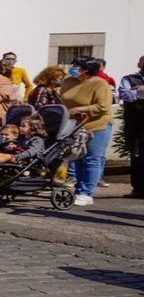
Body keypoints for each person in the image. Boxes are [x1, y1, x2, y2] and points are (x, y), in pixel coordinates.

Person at [60, 56, 114, 207]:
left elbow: (103, 107)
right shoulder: (68, 81)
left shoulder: (100, 84)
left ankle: (86, 193)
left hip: (96, 126)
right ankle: (79, 189)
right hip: (75, 126)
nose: (73, 69)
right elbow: (63, 100)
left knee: (92, 159)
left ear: (87, 70)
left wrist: (81, 109)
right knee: (77, 158)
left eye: (77, 66)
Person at [121, 54, 143, 198]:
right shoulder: (128, 79)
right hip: (135, 124)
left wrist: (139, 91)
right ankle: (138, 188)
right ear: (139, 64)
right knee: (136, 157)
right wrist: (139, 92)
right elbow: (126, 95)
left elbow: (133, 94)